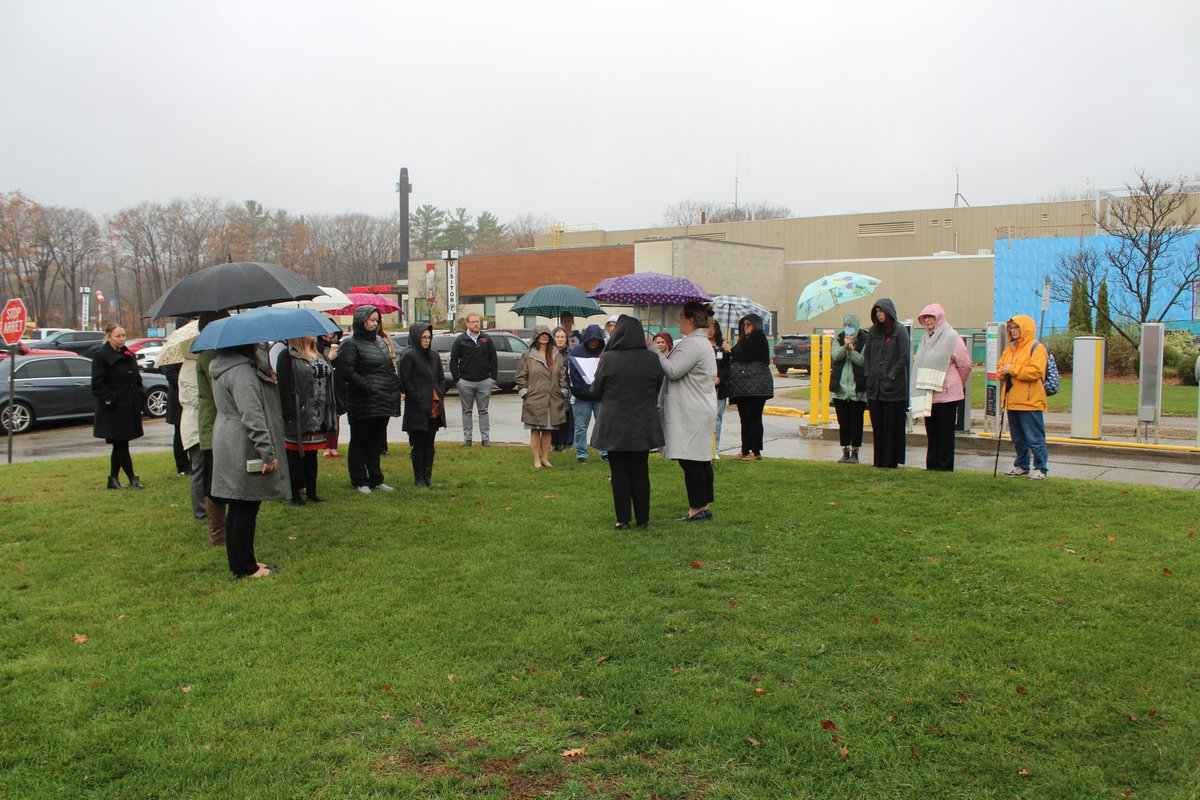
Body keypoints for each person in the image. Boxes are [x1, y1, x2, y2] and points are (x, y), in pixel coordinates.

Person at [209, 343, 290, 579]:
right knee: (246, 504)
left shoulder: (225, 366)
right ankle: (246, 567)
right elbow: (251, 414)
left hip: (229, 437)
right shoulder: (241, 371)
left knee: (239, 503)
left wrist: (265, 381)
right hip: (242, 442)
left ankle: (241, 562)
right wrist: (267, 451)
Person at [591, 316, 664, 529]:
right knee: (640, 471)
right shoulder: (652, 359)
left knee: (620, 473)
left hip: (615, 424)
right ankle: (643, 518)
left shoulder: (608, 358)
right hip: (642, 422)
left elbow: (595, 390)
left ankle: (622, 519)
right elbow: (658, 386)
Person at [657, 301, 718, 522]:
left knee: (691, 459)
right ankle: (703, 504)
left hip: (691, 409)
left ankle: (696, 508)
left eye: (681, 317)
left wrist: (655, 352)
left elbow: (673, 370)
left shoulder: (693, 344)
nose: (678, 320)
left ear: (691, 320)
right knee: (700, 459)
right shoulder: (701, 343)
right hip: (698, 406)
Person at [337, 305, 401, 494]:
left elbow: (388, 368)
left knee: (375, 442)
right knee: (360, 441)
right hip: (362, 401)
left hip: (382, 399)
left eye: (377, 320)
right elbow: (347, 371)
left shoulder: (381, 342)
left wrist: (394, 386)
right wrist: (368, 387)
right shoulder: (350, 344)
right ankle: (359, 480)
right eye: (371, 320)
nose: (375, 323)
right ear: (361, 321)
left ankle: (376, 478)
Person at [276, 336, 337, 504]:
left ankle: (312, 493)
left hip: (319, 411)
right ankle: (294, 495)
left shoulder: (320, 353)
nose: (313, 334)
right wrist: (288, 413)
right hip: (298, 412)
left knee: (312, 453)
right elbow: (283, 386)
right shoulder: (287, 356)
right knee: (296, 454)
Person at [912, 303, 971, 471]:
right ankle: (932, 464)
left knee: (945, 432)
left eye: (931, 317)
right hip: (929, 392)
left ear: (939, 317)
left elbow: (965, 364)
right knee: (932, 430)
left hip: (947, 392)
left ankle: (945, 466)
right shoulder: (925, 338)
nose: (927, 320)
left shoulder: (952, 336)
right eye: (925, 317)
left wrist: (958, 383)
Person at [91, 324, 145, 490]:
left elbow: (136, 378)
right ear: (108, 337)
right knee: (120, 443)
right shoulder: (101, 356)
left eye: (123, 335)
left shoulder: (128, 354)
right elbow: (98, 384)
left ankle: (113, 479)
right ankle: (131, 477)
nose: (122, 339)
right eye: (118, 336)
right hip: (113, 409)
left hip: (129, 405)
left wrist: (139, 395)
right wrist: (111, 398)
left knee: (120, 443)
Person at [998, 314, 1049, 480]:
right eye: (1011, 327)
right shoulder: (1010, 348)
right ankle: (1021, 466)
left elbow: (1036, 371)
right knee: (1018, 438)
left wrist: (1012, 369)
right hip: (1012, 400)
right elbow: (1000, 368)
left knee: (1034, 438)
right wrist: (1004, 371)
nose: (1013, 331)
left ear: (1025, 328)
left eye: (1016, 327)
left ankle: (1040, 468)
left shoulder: (1036, 347)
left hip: (1029, 401)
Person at [863, 298, 910, 469]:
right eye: (876, 312)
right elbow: (867, 355)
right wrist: (868, 374)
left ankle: (891, 461)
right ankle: (879, 460)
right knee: (878, 426)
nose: (878, 314)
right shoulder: (873, 331)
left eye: (881, 311)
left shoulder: (900, 330)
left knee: (892, 426)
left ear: (888, 312)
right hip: (874, 388)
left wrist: (891, 375)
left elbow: (903, 357)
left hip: (893, 389)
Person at [399, 322, 447, 488]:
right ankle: (419, 478)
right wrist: (418, 397)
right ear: (416, 337)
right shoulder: (409, 356)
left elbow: (440, 378)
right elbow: (406, 381)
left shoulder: (434, 356)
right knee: (419, 443)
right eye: (423, 337)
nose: (427, 340)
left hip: (434, 405)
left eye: (429, 337)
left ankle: (428, 476)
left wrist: (439, 392)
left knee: (430, 443)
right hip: (417, 407)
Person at [196, 311, 230, 544]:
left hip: (220, 424)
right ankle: (217, 532)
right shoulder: (210, 354)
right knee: (214, 481)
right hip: (214, 426)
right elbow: (220, 388)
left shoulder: (217, 351)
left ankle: (222, 529)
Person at [516, 325, 567, 469]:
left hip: (552, 398)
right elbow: (520, 375)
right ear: (536, 336)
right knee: (535, 430)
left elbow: (562, 375)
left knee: (547, 430)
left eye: (547, 334)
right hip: (534, 398)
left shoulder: (556, 354)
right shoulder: (528, 355)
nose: (544, 336)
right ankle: (536, 459)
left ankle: (545, 458)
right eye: (541, 334)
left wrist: (563, 390)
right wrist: (525, 391)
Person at [726, 314, 774, 460]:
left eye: (749, 324)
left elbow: (744, 354)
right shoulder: (744, 340)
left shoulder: (758, 337)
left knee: (754, 417)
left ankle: (756, 451)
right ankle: (745, 449)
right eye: (744, 325)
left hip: (756, 386)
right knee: (744, 418)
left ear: (756, 325)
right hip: (743, 386)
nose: (746, 327)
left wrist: (731, 349)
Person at [448, 312, 498, 448]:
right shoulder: (460, 340)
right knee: (466, 411)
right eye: (473, 322)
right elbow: (453, 360)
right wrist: (457, 380)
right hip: (465, 382)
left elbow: (493, 359)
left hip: (484, 381)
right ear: (467, 323)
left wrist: (492, 378)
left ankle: (485, 440)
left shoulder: (486, 339)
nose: (476, 324)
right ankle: (468, 439)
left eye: (478, 321)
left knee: (483, 411)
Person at [830, 313, 869, 464]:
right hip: (840, 390)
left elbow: (863, 361)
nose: (848, 329)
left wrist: (852, 351)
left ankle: (855, 452)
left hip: (857, 390)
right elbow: (835, 356)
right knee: (843, 423)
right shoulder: (838, 338)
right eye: (846, 326)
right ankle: (845, 451)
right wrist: (845, 347)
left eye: (851, 326)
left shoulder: (865, 339)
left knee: (856, 423)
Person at [568, 324, 607, 463]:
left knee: (602, 426)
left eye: (597, 339)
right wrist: (581, 392)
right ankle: (581, 454)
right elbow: (572, 376)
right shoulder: (576, 352)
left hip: (600, 397)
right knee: (580, 427)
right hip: (581, 398)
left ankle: (604, 452)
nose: (594, 342)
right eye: (591, 339)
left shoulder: (606, 351)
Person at [178, 350, 207, 522]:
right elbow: (197, 399)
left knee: (204, 468)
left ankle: (206, 508)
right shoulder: (190, 367)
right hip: (196, 425)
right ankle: (200, 511)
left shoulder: (195, 364)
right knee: (199, 468)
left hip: (200, 423)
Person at [317, 330, 345, 459]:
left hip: (337, 386)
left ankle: (333, 447)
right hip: (323, 386)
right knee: (325, 418)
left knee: (335, 418)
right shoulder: (317, 347)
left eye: (332, 333)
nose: (329, 336)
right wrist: (328, 358)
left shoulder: (340, 346)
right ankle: (325, 448)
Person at [550, 326, 575, 452]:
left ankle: (563, 443)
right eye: (557, 337)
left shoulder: (570, 353)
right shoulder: (549, 353)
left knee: (565, 416)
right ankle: (553, 443)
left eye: (562, 337)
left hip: (566, 388)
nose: (560, 339)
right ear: (553, 338)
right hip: (551, 388)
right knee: (552, 416)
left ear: (566, 339)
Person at [708, 321, 730, 458]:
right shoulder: (701, 346)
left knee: (717, 418)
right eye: (707, 327)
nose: (709, 330)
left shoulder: (722, 347)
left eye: (712, 327)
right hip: (704, 387)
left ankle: (715, 450)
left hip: (719, 389)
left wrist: (720, 379)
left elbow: (728, 367)